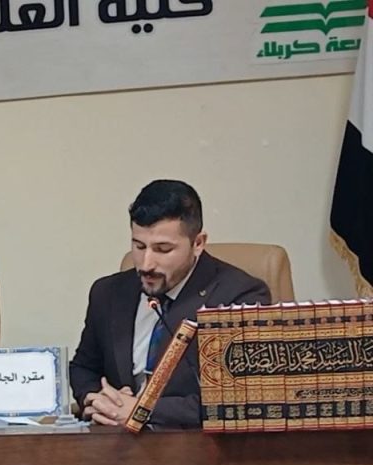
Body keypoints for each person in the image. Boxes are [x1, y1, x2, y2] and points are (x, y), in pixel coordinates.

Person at [69, 180, 271, 429]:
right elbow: (83, 367)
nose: (146, 264)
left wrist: (141, 410)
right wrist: (95, 399)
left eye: (163, 249)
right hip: (116, 443)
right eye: (139, 246)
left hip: (195, 445)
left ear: (198, 243)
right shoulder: (108, 293)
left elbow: (239, 399)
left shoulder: (239, 296)